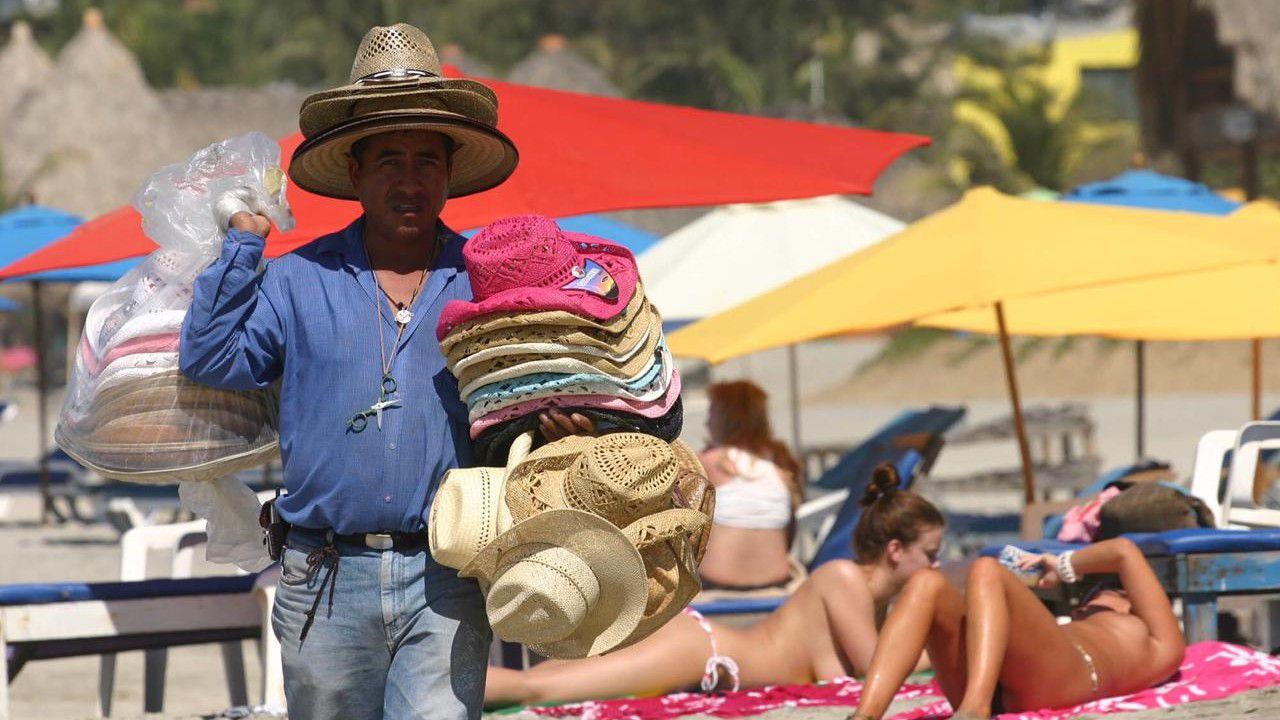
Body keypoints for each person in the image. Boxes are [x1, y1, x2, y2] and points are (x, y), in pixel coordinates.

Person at [178, 23, 584, 720]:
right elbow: (213, 359)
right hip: (323, 578)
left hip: (450, 573)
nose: (410, 178)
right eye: (389, 159)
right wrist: (243, 246)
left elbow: (525, 404)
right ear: (356, 174)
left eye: (428, 159)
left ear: (451, 174)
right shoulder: (297, 279)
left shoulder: (486, 287)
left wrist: (559, 428)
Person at [483, 463, 944, 707]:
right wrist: (944, 643)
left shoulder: (869, 600)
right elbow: (874, 665)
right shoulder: (845, 579)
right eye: (931, 554)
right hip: (705, 651)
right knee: (537, 690)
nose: (936, 567)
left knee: (544, 682)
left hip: (706, 645)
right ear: (896, 550)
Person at [848, 538, 1186, 720]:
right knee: (926, 583)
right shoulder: (1084, 627)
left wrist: (1062, 565)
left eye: (1106, 592)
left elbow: (1124, 553)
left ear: (1131, 600)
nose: (1094, 599)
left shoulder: (1162, 644)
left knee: (987, 570)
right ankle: (866, 714)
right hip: (1014, 681)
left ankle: (973, 712)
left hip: (1073, 678)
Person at [698, 380, 804, 590]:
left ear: (727, 417)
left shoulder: (708, 462)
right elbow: (789, 535)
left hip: (716, 587)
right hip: (777, 585)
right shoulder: (782, 463)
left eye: (711, 412)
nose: (707, 423)